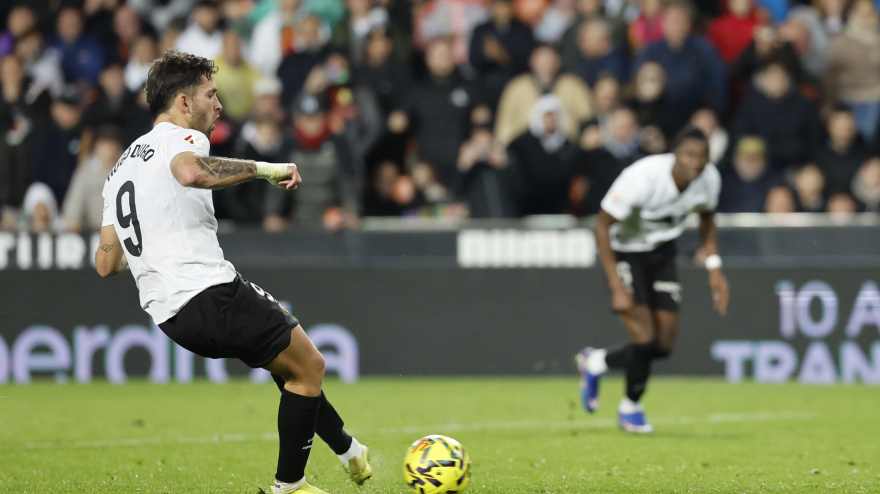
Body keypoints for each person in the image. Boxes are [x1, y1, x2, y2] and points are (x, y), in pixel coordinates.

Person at [94, 50, 372, 494]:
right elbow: (190, 173)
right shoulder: (180, 141)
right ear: (184, 102)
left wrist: (146, 235)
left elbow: (106, 261)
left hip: (172, 317)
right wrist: (267, 170)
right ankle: (290, 487)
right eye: (211, 94)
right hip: (207, 290)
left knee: (294, 367)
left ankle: (348, 450)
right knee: (310, 365)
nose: (219, 105)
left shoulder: (119, 169)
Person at [576, 126, 729, 433]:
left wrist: (714, 268)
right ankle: (631, 407)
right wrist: (616, 286)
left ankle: (596, 362)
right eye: (689, 155)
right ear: (674, 154)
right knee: (644, 338)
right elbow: (602, 225)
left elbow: (707, 219)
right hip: (624, 250)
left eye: (703, 156)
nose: (696, 163)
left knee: (662, 345)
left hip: (661, 253)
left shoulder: (709, 180)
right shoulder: (643, 178)